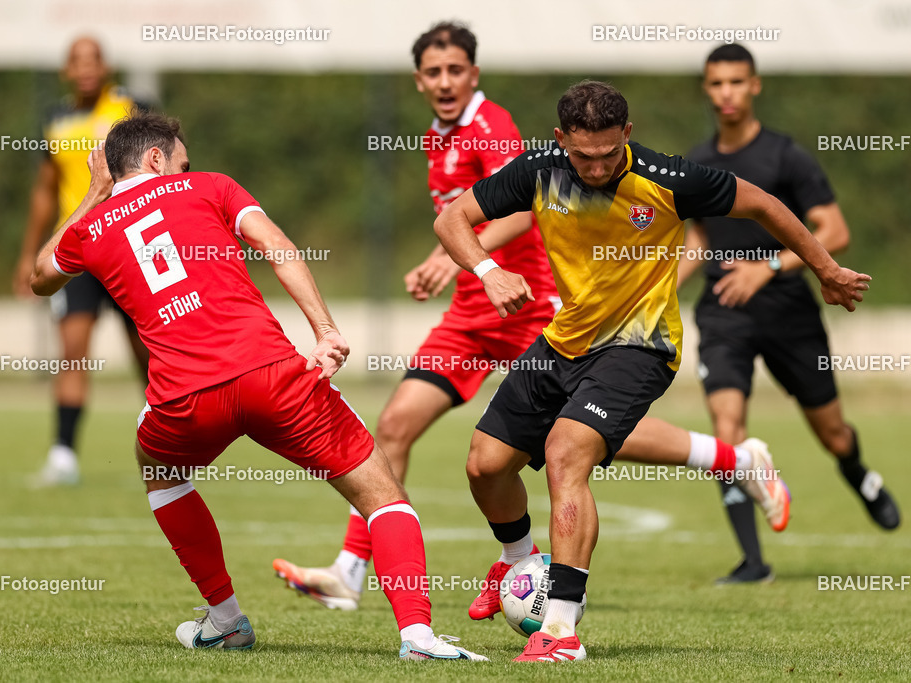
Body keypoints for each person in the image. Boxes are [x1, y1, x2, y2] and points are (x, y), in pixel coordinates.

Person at [272, 21, 791, 617]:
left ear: (474, 73)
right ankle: (351, 569)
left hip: (527, 305)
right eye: (434, 72)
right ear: (418, 81)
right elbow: (462, 216)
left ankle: (732, 460)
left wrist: (461, 260)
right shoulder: (437, 136)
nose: (445, 82)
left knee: (581, 435)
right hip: (471, 315)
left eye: (455, 70)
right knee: (397, 426)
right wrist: (460, 261)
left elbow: (526, 207)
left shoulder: (490, 126)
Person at [433, 79, 870, 662]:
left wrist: (827, 270)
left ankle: (560, 630)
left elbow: (764, 204)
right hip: (563, 340)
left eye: (609, 153)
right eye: (583, 156)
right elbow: (453, 219)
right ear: (561, 140)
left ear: (628, 134)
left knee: (566, 453)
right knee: (485, 465)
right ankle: (518, 561)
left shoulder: (669, 179)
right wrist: (488, 271)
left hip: (640, 346)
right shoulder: (538, 171)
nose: (596, 168)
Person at [29, 111, 486, 661]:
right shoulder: (212, 187)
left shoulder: (91, 229)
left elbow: (40, 277)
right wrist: (324, 330)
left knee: (159, 470)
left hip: (185, 400)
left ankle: (225, 620)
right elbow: (278, 247)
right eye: (181, 163)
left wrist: (93, 194)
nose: (187, 171)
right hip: (273, 377)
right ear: (155, 159)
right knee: (382, 494)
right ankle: (418, 637)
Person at [680, 44, 900, 583]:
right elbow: (698, 241)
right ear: (706, 89)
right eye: (716, 83)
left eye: (736, 81)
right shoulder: (696, 162)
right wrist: (651, 290)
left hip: (789, 313)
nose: (726, 92)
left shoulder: (786, 156)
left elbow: (835, 231)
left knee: (833, 433)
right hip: (723, 312)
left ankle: (858, 473)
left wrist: (767, 267)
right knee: (727, 430)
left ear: (755, 86)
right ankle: (753, 561)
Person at [13, 36, 149, 486]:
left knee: (150, 356)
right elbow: (44, 190)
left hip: (130, 248)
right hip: (78, 252)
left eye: (94, 59)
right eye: (78, 61)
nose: (87, 68)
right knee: (73, 353)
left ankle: (171, 447)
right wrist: (29, 255)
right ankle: (63, 457)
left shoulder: (132, 108)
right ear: (66, 71)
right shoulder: (55, 119)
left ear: (107, 66)